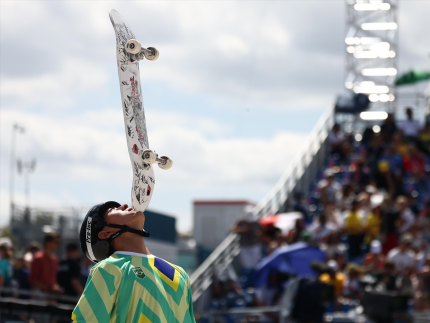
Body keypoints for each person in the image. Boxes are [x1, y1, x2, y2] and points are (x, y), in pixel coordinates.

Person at [72, 201, 195, 323]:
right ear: (106, 234)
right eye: (112, 210)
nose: (124, 205)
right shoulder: (108, 269)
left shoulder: (180, 273)